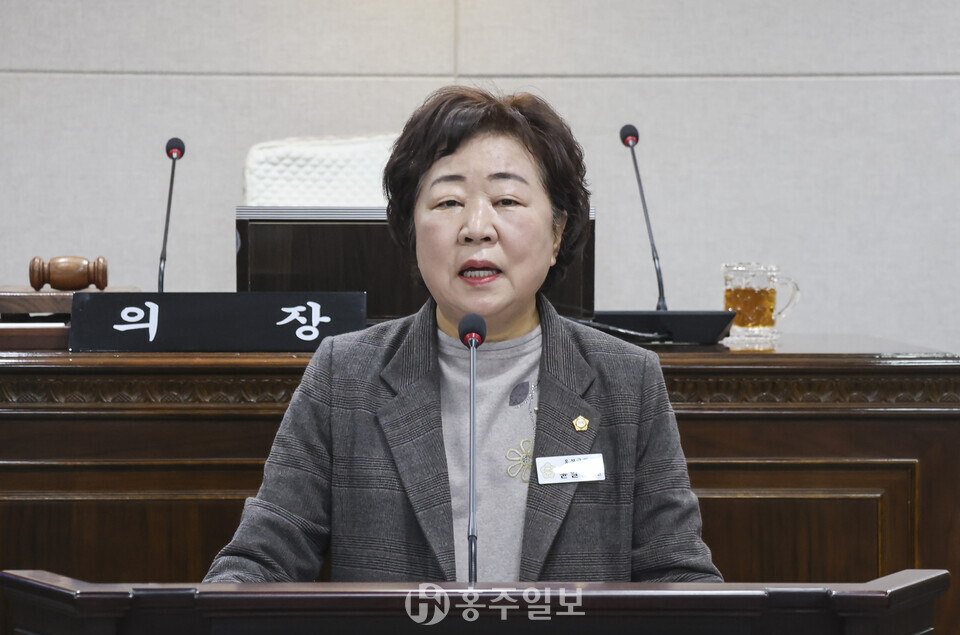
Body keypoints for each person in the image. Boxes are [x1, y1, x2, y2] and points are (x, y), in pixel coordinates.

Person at [205, 86, 721, 583]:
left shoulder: (627, 381)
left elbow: (678, 575)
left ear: (558, 231)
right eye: (448, 201)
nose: (477, 227)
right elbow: (261, 559)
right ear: (411, 229)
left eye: (507, 200)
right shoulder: (345, 376)